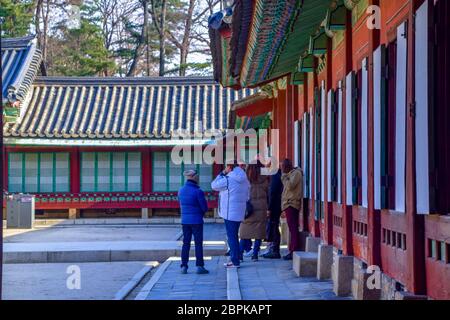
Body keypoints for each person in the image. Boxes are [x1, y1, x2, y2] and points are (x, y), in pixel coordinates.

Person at [211, 162, 249, 268]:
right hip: (240, 211)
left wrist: (223, 173)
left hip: (229, 212)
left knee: (232, 237)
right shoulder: (244, 179)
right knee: (235, 236)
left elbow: (214, 185)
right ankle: (236, 258)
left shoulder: (228, 179)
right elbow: (247, 195)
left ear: (229, 167)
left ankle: (235, 261)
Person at [178, 169, 209, 274]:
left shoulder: (181, 190)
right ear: (195, 177)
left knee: (186, 243)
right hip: (196, 220)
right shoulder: (198, 191)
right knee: (198, 243)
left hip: (185, 220)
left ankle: (184, 266)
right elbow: (204, 207)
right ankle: (200, 266)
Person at [239, 162, 269, 261]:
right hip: (261, 207)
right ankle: (255, 254)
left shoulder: (245, 179)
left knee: (244, 233)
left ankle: (239, 254)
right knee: (258, 233)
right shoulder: (265, 178)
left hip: (249, 208)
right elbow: (269, 192)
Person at [280, 159, 304, 260]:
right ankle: (292, 248)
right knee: (291, 228)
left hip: (292, 204)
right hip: (287, 204)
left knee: (293, 228)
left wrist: (284, 177)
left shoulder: (296, 173)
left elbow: (290, 186)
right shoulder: (290, 174)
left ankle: (294, 249)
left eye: (282, 167)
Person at [262, 166, 283, 259]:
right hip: (277, 205)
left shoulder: (275, 177)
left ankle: (275, 250)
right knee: (274, 226)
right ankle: (273, 249)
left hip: (274, 206)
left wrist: (269, 208)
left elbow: (272, 193)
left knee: (274, 227)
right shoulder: (277, 175)